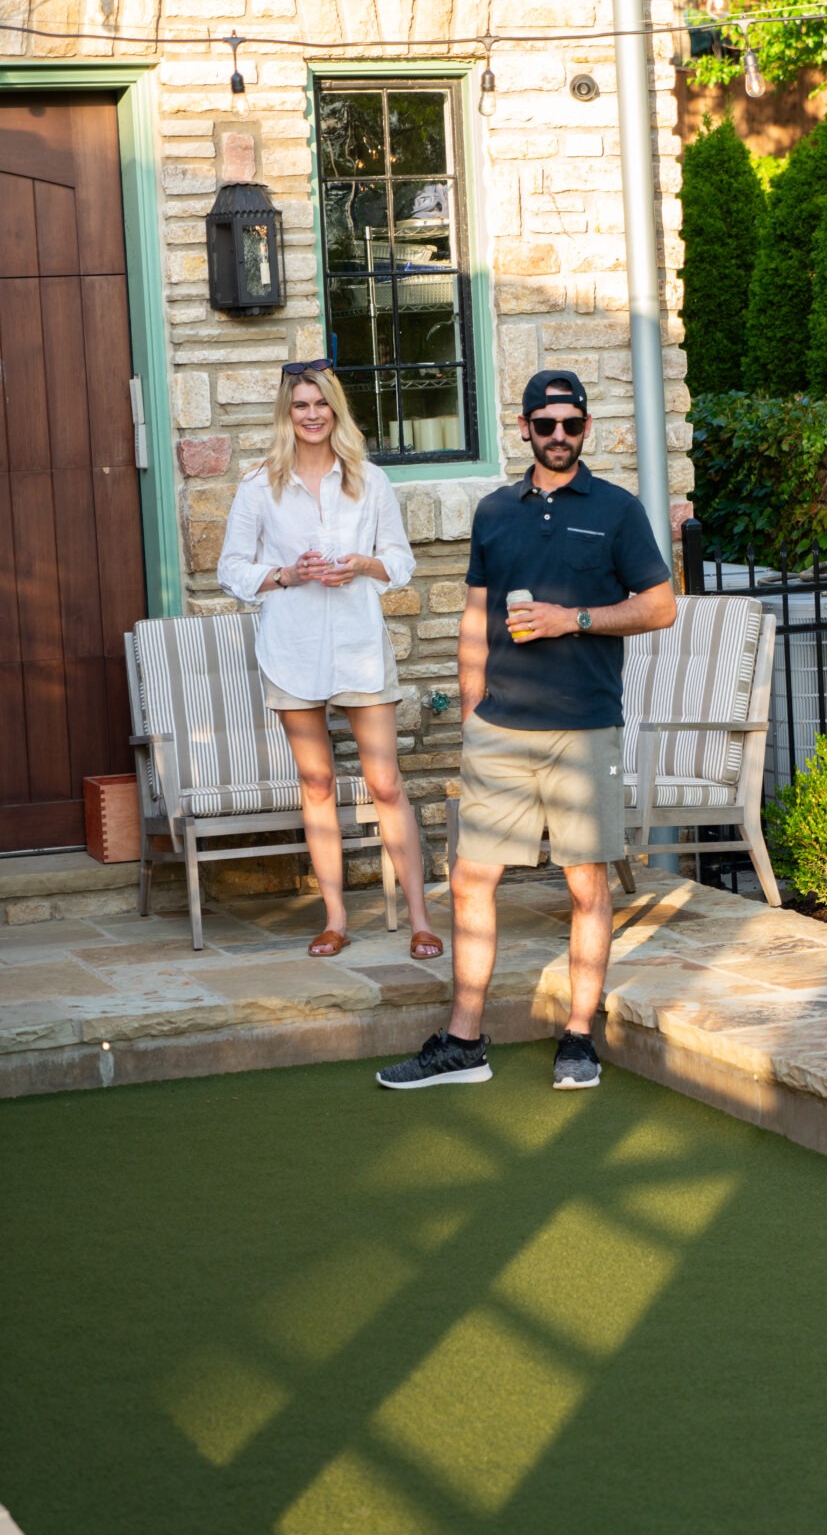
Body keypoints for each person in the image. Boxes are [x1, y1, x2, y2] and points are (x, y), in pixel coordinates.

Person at [376, 369, 676, 1094]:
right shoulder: (493, 512)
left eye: (572, 424)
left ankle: (578, 1037)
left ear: (586, 428)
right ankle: (463, 1041)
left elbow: (661, 606)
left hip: (583, 728)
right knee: (472, 878)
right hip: (500, 730)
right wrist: (474, 700)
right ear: (524, 429)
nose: (560, 437)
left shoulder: (617, 510)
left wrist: (571, 619)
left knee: (586, 885)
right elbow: (475, 614)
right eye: (547, 425)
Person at [217, 359, 444, 962]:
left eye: (321, 404)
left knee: (386, 782)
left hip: (360, 648)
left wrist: (363, 565)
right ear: (286, 414)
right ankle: (336, 919)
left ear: (335, 410)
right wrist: (286, 575)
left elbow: (399, 559)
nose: (312, 415)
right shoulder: (258, 485)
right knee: (316, 783)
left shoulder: (369, 480)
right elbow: (231, 568)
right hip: (291, 652)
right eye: (300, 406)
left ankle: (421, 919)